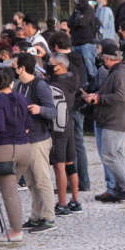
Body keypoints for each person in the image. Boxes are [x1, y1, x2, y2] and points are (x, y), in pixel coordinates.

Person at [80, 42, 125, 203]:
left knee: (108, 155)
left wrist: (98, 98)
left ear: (107, 58)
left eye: (103, 57)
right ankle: (118, 189)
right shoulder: (120, 71)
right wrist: (92, 96)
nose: (102, 61)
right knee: (116, 155)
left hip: (115, 121)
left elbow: (120, 96)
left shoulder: (120, 73)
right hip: (118, 120)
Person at [11, 53, 58, 233]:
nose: (12, 68)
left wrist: (40, 109)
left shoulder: (40, 85)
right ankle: (36, 216)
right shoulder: (18, 85)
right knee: (31, 182)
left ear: (22, 68)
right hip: (24, 139)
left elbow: (53, 111)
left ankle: (49, 218)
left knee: (42, 180)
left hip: (39, 139)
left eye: (14, 65)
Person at [0, 68, 33, 241]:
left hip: (6, 149)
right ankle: (16, 227)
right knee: (12, 189)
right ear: (12, 82)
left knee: (9, 193)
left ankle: (15, 231)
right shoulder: (21, 97)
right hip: (25, 148)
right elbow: (28, 123)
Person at [46, 52, 82, 216]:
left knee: (59, 166)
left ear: (60, 65)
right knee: (70, 164)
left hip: (57, 126)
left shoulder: (55, 85)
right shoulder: (72, 78)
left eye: (51, 63)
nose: (49, 65)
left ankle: (61, 204)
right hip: (68, 122)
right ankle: (75, 201)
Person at [67, 0, 98, 81]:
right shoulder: (76, 10)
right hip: (76, 43)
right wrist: (77, 21)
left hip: (86, 44)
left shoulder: (89, 9)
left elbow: (83, 22)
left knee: (90, 68)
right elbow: (69, 22)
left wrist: (76, 22)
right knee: (80, 69)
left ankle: (95, 85)